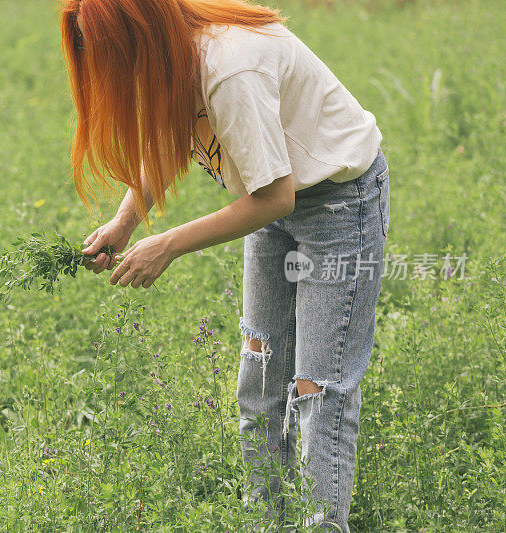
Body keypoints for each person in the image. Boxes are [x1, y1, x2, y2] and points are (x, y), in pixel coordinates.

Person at [58, 0, 390, 530]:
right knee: (259, 378)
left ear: (137, 34)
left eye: (105, 55)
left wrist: (164, 245)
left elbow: (275, 197)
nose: (104, 72)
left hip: (337, 204)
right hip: (270, 202)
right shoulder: (172, 58)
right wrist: (126, 220)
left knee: (318, 390)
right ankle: (266, 523)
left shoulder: (229, 66)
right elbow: (173, 137)